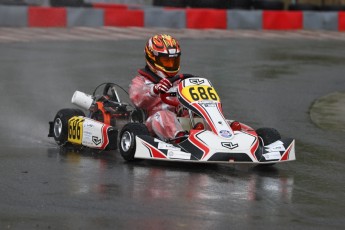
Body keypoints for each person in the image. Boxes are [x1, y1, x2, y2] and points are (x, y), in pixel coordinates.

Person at [129, 34, 186, 141]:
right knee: (163, 115)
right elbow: (137, 99)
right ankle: (179, 139)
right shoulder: (141, 81)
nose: (170, 65)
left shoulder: (179, 81)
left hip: (178, 120)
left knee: (198, 114)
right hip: (151, 123)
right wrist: (154, 90)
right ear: (152, 59)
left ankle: (215, 135)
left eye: (173, 61)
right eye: (166, 61)